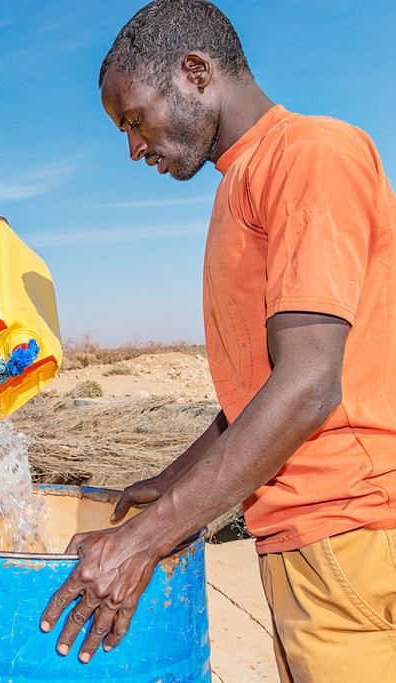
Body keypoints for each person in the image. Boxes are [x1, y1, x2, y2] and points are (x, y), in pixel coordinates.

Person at [38, 1, 396, 679]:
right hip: (305, 539)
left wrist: (144, 540)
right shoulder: (241, 184)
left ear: (196, 72)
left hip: (349, 529)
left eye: (135, 120)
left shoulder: (311, 155)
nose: (133, 147)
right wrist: (172, 481)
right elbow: (259, 390)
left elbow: (310, 383)